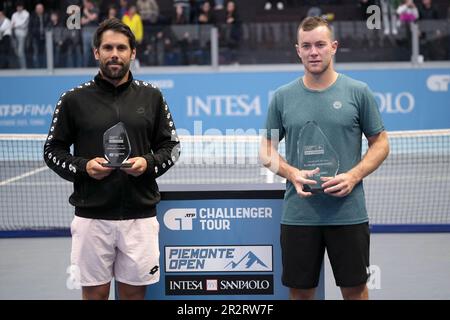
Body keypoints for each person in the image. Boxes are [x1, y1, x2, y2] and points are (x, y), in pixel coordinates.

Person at [43, 18, 180, 300]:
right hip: (92, 218)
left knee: (133, 297)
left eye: (121, 47)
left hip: (139, 218)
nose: (114, 54)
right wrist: (84, 168)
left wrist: (148, 164)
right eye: (107, 47)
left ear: (133, 53)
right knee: (95, 296)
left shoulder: (152, 96)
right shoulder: (73, 100)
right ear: (96, 52)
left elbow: (172, 148)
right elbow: (52, 151)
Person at [259, 16, 389, 300]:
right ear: (298, 50)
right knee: (301, 291)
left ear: (334, 47)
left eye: (320, 45)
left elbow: (381, 143)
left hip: (348, 213)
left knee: (354, 289)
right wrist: (291, 173)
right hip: (299, 216)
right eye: (306, 46)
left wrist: (353, 175)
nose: (313, 52)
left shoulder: (358, 92)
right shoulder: (282, 97)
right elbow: (265, 149)